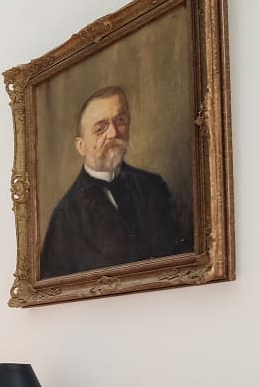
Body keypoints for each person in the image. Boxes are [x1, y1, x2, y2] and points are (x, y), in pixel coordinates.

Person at [39, 85, 191, 279]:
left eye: (120, 120)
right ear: (81, 146)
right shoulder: (65, 216)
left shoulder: (154, 186)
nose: (113, 133)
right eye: (100, 128)